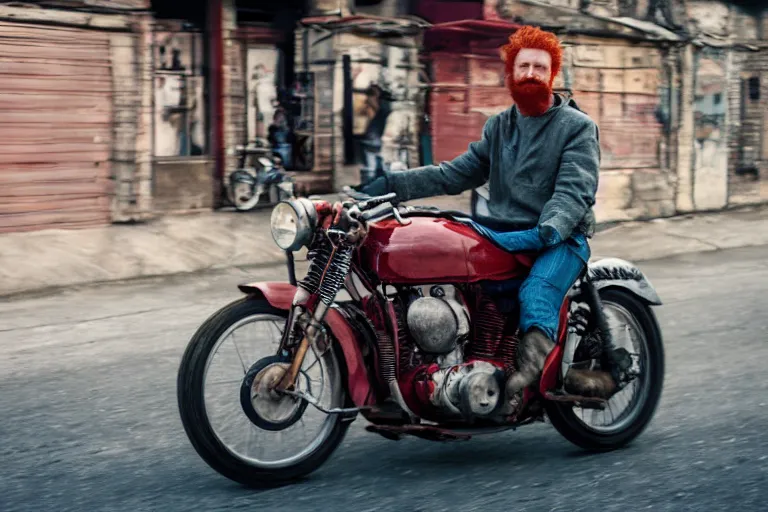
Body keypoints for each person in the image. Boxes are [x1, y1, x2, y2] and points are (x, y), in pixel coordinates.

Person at [351, 26, 616, 402]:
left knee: (537, 292)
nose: (531, 74)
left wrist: (549, 230)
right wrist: (387, 185)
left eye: (540, 67)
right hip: (503, 233)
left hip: (559, 237)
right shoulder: (500, 126)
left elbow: (573, 192)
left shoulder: (577, 128)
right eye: (523, 66)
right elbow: (454, 174)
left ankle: (527, 374)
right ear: (510, 73)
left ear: (552, 74)